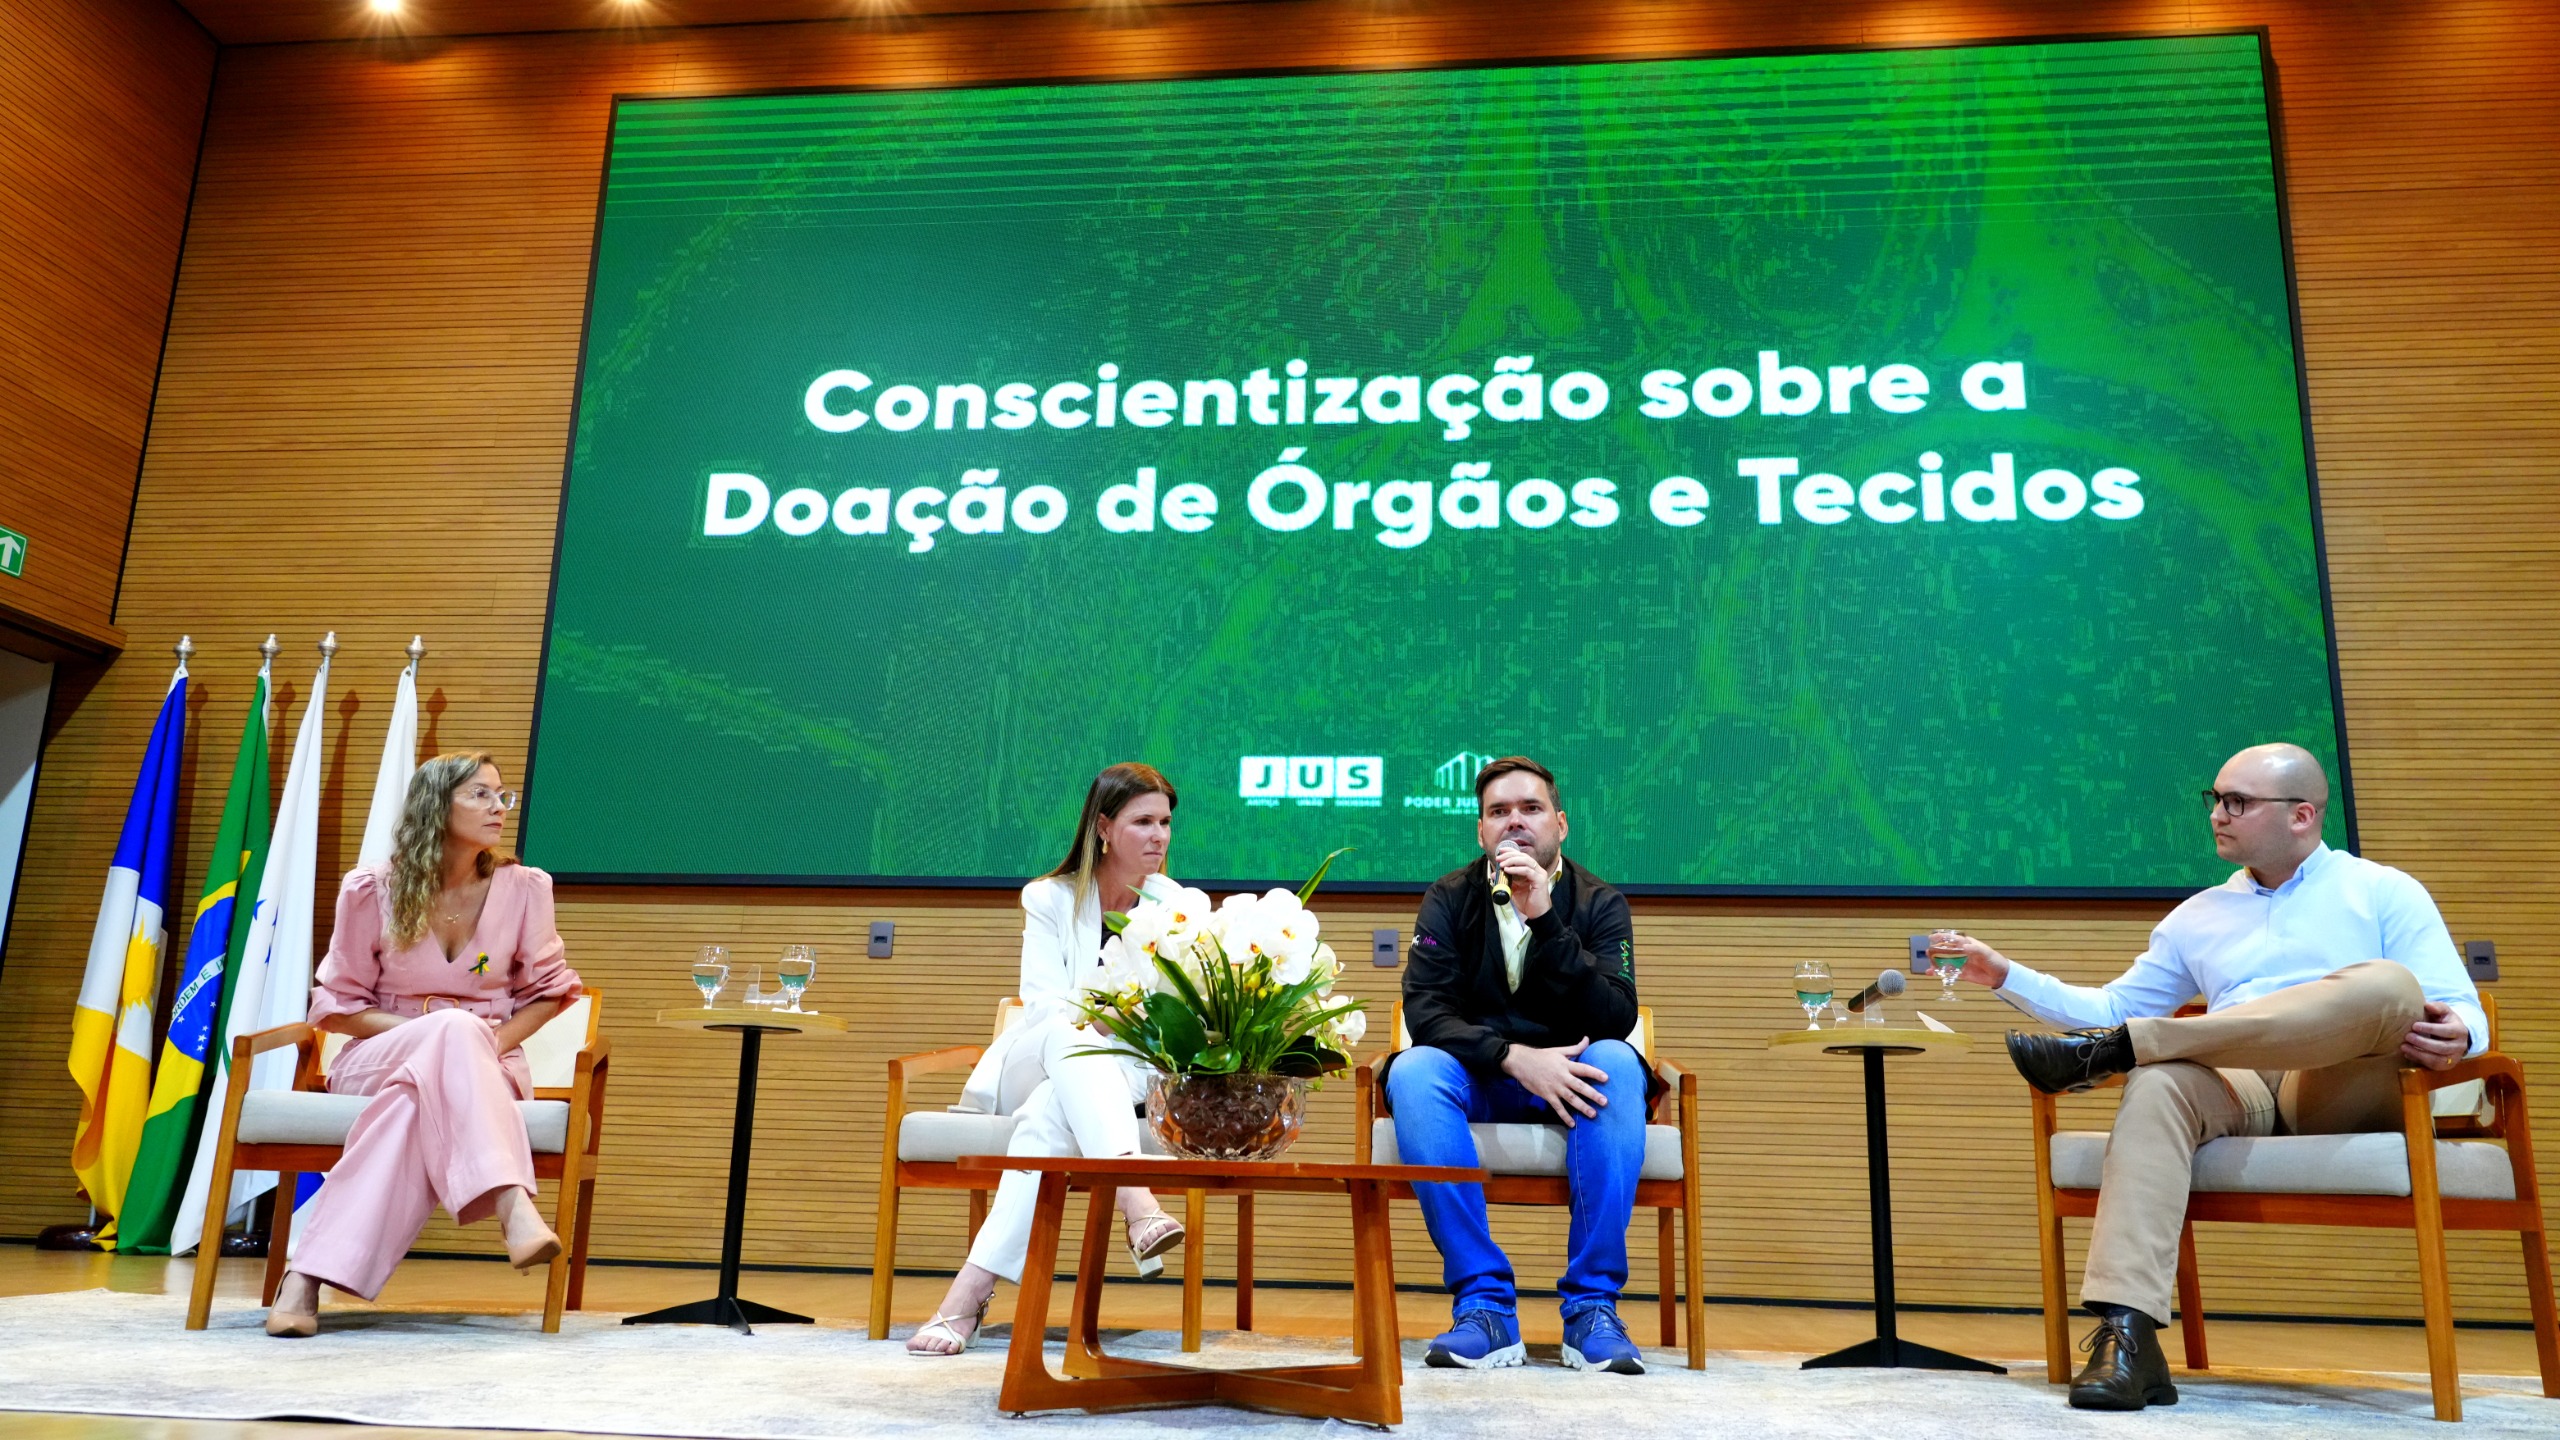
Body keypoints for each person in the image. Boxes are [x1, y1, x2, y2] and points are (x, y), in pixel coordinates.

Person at [1931, 742, 2483, 1410]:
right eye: (2214, 800)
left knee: (2389, 986)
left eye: (2237, 802)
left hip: (2346, 1083)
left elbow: (2463, 1009)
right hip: (2242, 1082)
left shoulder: (2382, 891)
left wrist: (2462, 1034)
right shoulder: (2199, 914)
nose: (2218, 815)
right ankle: (2128, 1336)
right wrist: (2005, 974)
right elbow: (2112, 1008)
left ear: (2302, 815)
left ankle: (2124, 1050)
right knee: (2158, 1082)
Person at [263, 752, 582, 1337]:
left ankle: (304, 1277)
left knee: (414, 1103)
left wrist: (484, 1042)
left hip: (486, 1063)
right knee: (451, 1032)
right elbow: (337, 1008)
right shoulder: (370, 890)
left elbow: (551, 992)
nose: (499, 808)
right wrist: (433, 1031)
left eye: (502, 796)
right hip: (378, 1056)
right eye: (481, 795)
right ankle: (511, 1205)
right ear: (437, 805)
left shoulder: (526, 888)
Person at [906, 762, 1190, 1355]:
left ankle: (968, 1295)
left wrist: (1115, 1021)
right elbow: (1041, 1008)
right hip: (1035, 1056)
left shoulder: (1179, 907)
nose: (1158, 835)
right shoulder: (1049, 898)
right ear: (1104, 827)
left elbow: (1175, 1017)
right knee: (1066, 1035)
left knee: (1047, 1118)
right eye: (1142, 821)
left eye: (1165, 821)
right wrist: (1109, 1014)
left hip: (1119, 1076)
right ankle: (1135, 1198)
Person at [1382, 756, 1650, 1374]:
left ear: (1560, 823)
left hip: (1575, 1081)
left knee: (1618, 1060)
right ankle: (1485, 1306)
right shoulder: (1448, 899)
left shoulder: (1601, 903)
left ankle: (1592, 1310)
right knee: (1414, 1070)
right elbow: (1426, 1013)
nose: (1514, 823)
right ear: (1481, 833)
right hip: (1480, 1079)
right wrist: (1511, 1059)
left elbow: (1613, 1014)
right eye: (1498, 813)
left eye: (1530, 809)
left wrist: (1545, 918)